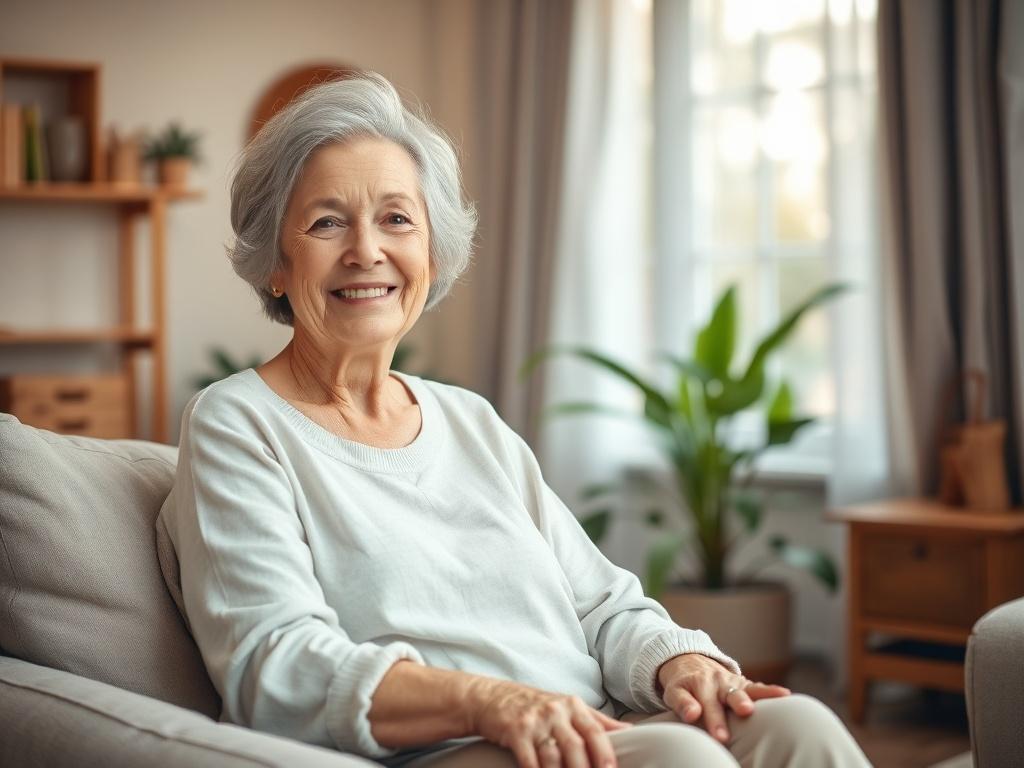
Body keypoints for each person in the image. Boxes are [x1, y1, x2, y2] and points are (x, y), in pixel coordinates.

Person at [158, 73, 871, 768]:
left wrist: (679, 661)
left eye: (397, 219)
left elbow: (602, 606)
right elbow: (273, 664)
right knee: (678, 757)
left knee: (798, 727)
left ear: (431, 256)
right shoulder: (238, 423)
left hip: (584, 729)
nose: (367, 250)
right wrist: (488, 702)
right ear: (274, 263)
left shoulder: (470, 422)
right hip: (451, 747)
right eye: (326, 222)